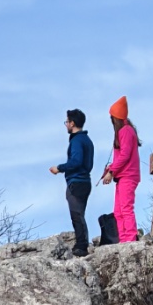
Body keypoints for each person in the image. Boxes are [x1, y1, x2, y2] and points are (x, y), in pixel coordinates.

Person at [48, 109, 95, 256]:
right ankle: (82, 244)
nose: (66, 125)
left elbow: (76, 161)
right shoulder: (87, 140)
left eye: (67, 122)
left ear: (72, 123)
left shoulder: (76, 140)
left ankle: (81, 246)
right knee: (80, 214)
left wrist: (59, 168)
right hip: (85, 181)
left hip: (76, 182)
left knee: (76, 215)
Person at [99, 96, 141, 243]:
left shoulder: (126, 131)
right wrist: (111, 169)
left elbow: (124, 155)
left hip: (128, 176)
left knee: (126, 208)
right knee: (118, 211)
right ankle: (123, 240)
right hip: (123, 176)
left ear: (115, 119)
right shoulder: (126, 130)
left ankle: (130, 238)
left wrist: (111, 172)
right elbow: (122, 157)